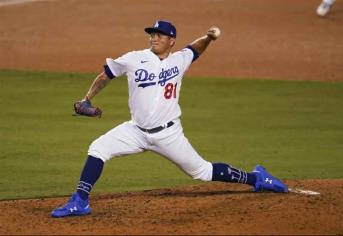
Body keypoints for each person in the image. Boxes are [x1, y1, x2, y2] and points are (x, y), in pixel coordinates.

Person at [51, 20, 288, 218]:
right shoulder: (134, 58)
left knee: (202, 172)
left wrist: (208, 37)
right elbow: (106, 75)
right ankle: (80, 201)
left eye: (159, 35)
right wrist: (86, 98)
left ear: (171, 41)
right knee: (98, 148)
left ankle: (256, 178)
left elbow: (195, 48)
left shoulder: (179, 60)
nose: (154, 38)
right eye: (152, 34)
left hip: (168, 134)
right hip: (136, 131)